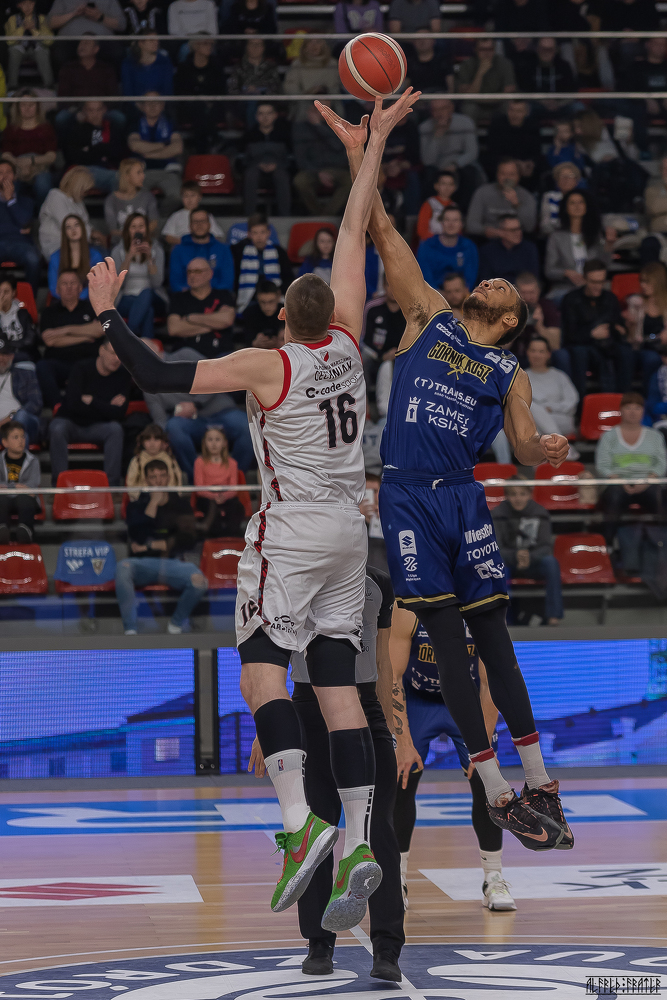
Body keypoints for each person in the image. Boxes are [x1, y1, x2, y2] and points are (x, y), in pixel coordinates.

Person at [88, 89, 420, 929]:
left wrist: (106, 314)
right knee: (337, 689)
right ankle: (357, 846)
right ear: (331, 315)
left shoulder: (268, 365)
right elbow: (353, 232)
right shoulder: (348, 345)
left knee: (260, 670)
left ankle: (298, 822)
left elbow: (157, 376)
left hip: (294, 529)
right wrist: (369, 144)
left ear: (280, 318)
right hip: (352, 533)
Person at [319, 99, 574, 852]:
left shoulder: (508, 371)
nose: (491, 280)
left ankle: (541, 782)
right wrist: (363, 152)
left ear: (511, 320)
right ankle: (496, 790)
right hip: (405, 494)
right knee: (439, 629)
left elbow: (520, 449)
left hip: (462, 496)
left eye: (504, 289)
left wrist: (547, 450)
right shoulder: (427, 314)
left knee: (491, 636)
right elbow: (380, 229)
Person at [249, 566, 404, 980]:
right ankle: (319, 943)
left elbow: (383, 660)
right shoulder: (290, 576)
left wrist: (391, 730)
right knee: (317, 828)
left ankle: (387, 948)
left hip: (365, 707)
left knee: (379, 832)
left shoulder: (378, 584)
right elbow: (271, 667)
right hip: (306, 708)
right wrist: (268, 731)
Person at [390, 606, 515, 912]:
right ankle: (397, 878)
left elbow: (490, 680)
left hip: (465, 699)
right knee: (402, 777)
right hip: (418, 699)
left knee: (487, 781)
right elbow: (392, 676)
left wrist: (484, 749)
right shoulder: (408, 606)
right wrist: (403, 742)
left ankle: (493, 878)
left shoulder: (480, 603)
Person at [118, 458, 208, 634]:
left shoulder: (180, 504)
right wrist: (152, 504)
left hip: (173, 563)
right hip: (143, 563)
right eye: (153, 477)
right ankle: (130, 630)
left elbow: (189, 539)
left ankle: (176, 624)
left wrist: (153, 545)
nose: (158, 481)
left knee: (199, 582)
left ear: (168, 477)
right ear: (146, 480)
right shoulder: (136, 505)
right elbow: (137, 536)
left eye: (162, 476)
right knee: (122, 568)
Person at [141, 348, 253, 478]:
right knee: (173, 428)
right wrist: (161, 438)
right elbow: (160, 419)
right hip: (191, 422)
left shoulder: (184, 354)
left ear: (157, 350)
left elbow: (214, 375)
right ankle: (196, 480)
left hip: (221, 411)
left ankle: (235, 477)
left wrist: (196, 404)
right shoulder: (148, 383)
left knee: (247, 427)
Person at [48, 337, 130, 485]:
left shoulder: (123, 375)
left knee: (116, 430)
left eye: (120, 355)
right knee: (57, 428)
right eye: (113, 353)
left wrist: (92, 401)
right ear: (101, 350)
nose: (117, 359)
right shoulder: (81, 368)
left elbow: (119, 413)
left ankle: (112, 487)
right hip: (71, 423)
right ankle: (59, 485)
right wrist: (107, 406)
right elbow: (73, 405)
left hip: (99, 427)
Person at [597, 393, 666, 547]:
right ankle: (608, 544)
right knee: (613, 498)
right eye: (628, 407)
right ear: (621, 410)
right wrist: (620, 482)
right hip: (618, 483)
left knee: (660, 497)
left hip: (649, 483)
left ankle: (662, 544)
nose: (633, 412)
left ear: (643, 411)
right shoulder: (608, 437)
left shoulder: (655, 436)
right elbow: (603, 464)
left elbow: (661, 463)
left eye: (637, 408)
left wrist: (647, 481)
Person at [493, 479, 564, 626]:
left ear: (529, 495)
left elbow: (545, 546)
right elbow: (495, 547)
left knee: (551, 562)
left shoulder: (540, 513)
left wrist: (529, 557)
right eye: (513, 494)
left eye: (522, 494)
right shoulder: (497, 514)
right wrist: (515, 556)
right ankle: (502, 617)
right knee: (497, 566)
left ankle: (553, 616)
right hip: (509, 562)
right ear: (506, 496)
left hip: (533, 562)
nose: (518, 498)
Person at [560, 259, 633, 399]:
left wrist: (623, 329)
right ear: (584, 279)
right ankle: (580, 402)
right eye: (593, 282)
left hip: (607, 344)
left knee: (626, 352)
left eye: (601, 282)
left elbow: (618, 326)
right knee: (580, 353)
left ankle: (623, 400)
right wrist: (591, 334)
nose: (598, 286)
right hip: (582, 345)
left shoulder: (610, 298)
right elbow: (569, 334)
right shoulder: (571, 299)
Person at [37, 270, 103, 407]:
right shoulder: (49, 312)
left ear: (80, 288)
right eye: (64, 284)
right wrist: (85, 336)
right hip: (60, 365)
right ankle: (58, 406)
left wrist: (65, 330)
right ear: (57, 289)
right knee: (42, 366)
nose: (69, 287)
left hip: (88, 364)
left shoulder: (92, 308)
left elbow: (99, 330)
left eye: (73, 283)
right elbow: (50, 340)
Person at [545, 189, 615, 300]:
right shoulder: (556, 237)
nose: (577, 206)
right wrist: (567, 273)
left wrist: (609, 245)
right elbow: (549, 270)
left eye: (581, 202)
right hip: (566, 288)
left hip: (593, 287)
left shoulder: (595, 234)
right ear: (565, 208)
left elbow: (605, 264)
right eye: (572, 203)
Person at [167, 257, 236, 358]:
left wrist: (191, 318)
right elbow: (174, 329)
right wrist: (215, 324)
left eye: (197, 271)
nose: (192, 275)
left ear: (210, 274)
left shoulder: (224, 295)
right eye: (189, 271)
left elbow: (227, 320)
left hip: (220, 355)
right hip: (187, 356)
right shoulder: (179, 298)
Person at [111, 212, 165, 338]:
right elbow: (118, 284)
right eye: (133, 227)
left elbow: (157, 283)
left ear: (146, 229)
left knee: (146, 292)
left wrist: (150, 259)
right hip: (126, 297)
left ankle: (127, 338)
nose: (137, 230)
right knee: (148, 311)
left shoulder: (157, 250)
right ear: (127, 230)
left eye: (141, 226)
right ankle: (145, 347)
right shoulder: (117, 251)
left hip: (152, 296)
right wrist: (129, 257)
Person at [418, 100, 479, 210]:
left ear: (451, 108)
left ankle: (463, 213)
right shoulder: (425, 127)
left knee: (470, 173)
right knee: (427, 174)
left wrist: (455, 164)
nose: (439, 113)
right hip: (437, 166)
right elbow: (427, 160)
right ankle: (430, 212)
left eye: (443, 109)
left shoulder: (465, 123)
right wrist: (437, 136)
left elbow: (472, 152)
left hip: (460, 164)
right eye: (435, 110)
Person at [293, 102, 351, 217]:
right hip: (312, 170)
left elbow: (338, 146)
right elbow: (300, 157)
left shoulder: (340, 126)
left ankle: (327, 215)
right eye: (316, 109)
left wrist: (318, 126)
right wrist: (318, 172)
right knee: (299, 181)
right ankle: (318, 214)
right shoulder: (301, 128)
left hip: (337, 168)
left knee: (350, 181)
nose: (320, 112)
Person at [127, 93, 183, 214]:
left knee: (177, 196)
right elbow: (135, 146)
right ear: (142, 106)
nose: (152, 106)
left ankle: (159, 217)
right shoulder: (134, 123)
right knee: (137, 197)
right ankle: (148, 219)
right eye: (148, 103)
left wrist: (149, 153)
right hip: (142, 172)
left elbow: (178, 148)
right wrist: (163, 145)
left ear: (162, 105)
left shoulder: (170, 123)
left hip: (168, 171)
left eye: (156, 102)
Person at [0, 90, 57, 206]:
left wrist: (31, 162)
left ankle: (43, 213)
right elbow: (6, 154)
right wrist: (19, 164)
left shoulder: (46, 128)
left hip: (40, 168)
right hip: (16, 167)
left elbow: (51, 156)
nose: (27, 108)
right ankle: (13, 213)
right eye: (23, 105)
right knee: (9, 184)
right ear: (17, 107)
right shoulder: (11, 129)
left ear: (37, 106)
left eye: (31, 105)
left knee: (43, 185)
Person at [231, 213, 293, 314]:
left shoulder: (279, 252)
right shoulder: (239, 252)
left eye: (262, 232)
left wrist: (278, 293)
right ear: (249, 234)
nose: (259, 237)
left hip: (274, 297)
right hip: (250, 299)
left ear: (269, 233)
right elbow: (235, 277)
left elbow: (288, 277)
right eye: (255, 233)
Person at [61, 101, 127, 194]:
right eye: (90, 110)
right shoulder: (76, 129)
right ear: (84, 111)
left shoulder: (112, 128)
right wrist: (102, 152)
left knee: (123, 178)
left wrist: (89, 150)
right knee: (118, 178)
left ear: (104, 110)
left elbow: (118, 153)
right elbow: (72, 156)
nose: (95, 114)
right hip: (82, 171)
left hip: (106, 170)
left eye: (98, 110)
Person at [524, 336, 579, 448]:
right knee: (532, 408)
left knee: (535, 423)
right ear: (527, 353)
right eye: (533, 351)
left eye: (541, 351)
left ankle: (554, 449)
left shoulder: (559, 376)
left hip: (560, 418)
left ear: (548, 354)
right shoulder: (520, 377)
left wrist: (551, 408)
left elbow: (572, 401)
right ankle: (562, 447)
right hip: (531, 422)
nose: (536, 355)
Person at [174, 34, 226, 152]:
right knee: (198, 106)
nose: (209, 47)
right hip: (190, 107)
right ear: (196, 46)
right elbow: (180, 91)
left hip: (213, 106)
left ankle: (200, 148)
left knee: (203, 110)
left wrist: (210, 100)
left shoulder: (216, 66)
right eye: (205, 43)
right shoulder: (184, 67)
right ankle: (214, 138)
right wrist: (199, 98)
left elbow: (221, 90)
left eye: (211, 44)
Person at [239, 102, 292, 218]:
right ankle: (249, 217)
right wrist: (257, 164)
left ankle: (285, 217)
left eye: (269, 113)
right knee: (250, 175)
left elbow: (290, 158)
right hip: (255, 168)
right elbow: (243, 160)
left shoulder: (284, 134)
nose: (265, 117)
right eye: (261, 114)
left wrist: (278, 165)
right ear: (256, 116)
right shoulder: (249, 135)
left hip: (279, 168)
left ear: (275, 115)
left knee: (282, 176)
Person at [194, 426, 245, 537]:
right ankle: (212, 538)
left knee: (236, 507)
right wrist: (214, 496)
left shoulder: (232, 463)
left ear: (224, 443)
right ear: (204, 443)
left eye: (217, 440)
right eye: (210, 440)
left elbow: (233, 489)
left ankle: (232, 539)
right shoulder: (199, 462)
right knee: (210, 505)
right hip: (206, 498)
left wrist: (223, 496)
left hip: (227, 497)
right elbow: (199, 489)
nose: (214, 443)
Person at [466, 159, 537, 240]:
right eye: (503, 173)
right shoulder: (482, 192)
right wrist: (490, 231)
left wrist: (517, 204)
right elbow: (471, 225)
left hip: (516, 240)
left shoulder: (526, 196)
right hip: (487, 239)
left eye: (512, 174)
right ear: (497, 175)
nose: (507, 178)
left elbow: (529, 227)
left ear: (518, 176)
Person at [169, 208, 235, 293]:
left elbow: (227, 281)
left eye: (203, 221)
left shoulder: (223, 249)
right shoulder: (178, 250)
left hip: (217, 296)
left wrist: (209, 295)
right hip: (187, 297)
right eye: (195, 222)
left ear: (209, 225)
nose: (199, 225)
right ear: (190, 226)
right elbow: (176, 283)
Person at [38, 165, 96, 261]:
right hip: (56, 245)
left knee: (101, 254)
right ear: (77, 187)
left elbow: (86, 223)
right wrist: (94, 234)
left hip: (78, 244)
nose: (87, 193)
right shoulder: (56, 196)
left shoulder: (78, 201)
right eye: (85, 190)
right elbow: (69, 225)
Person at [417, 205, 478, 293]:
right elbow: (425, 277)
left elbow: (470, 279)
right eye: (447, 220)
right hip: (433, 295)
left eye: (455, 220)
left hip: (461, 296)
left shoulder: (469, 246)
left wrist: (457, 295)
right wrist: (440, 295)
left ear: (462, 224)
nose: (451, 224)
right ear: (441, 222)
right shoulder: (426, 246)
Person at [0, 160, 40, 293]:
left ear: (15, 176)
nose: (5, 176)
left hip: (21, 244)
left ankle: (30, 300)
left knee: (33, 259)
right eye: (0, 173)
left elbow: (25, 223)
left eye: (8, 172)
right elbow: (22, 227)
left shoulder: (26, 200)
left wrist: (11, 201)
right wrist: (17, 229)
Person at [362, 276, 406, 394]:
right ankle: (364, 399)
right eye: (389, 285)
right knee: (362, 359)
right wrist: (382, 355)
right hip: (376, 355)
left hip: (403, 356)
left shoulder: (410, 311)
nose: (393, 289)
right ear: (384, 286)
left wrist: (399, 353)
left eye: (397, 285)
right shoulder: (372, 308)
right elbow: (365, 341)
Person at [484, 101, 541, 189]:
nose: (515, 114)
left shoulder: (532, 126)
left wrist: (531, 163)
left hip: (525, 168)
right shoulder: (497, 125)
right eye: (512, 110)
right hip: (501, 164)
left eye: (519, 111)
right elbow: (492, 152)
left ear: (526, 113)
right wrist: (516, 164)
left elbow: (536, 152)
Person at [0, 419, 41, 543]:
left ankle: (25, 530)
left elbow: (32, 487)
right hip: (4, 498)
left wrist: (7, 487)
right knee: (1, 499)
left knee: (25, 498)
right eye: (15, 437)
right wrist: (17, 487)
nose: (21, 441)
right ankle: (1, 530)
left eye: (23, 437)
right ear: (5, 442)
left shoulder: (33, 461)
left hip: (25, 498)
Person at [457, 38, 516, 123]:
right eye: (482, 49)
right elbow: (468, 96)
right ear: (475, 50)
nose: (487, 53)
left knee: (510, 106)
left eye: (490, 49)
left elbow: (508, 92)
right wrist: (480, 73)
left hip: (498, 104)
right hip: (476, 105)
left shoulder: (504, 63)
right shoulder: (466, 65)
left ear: (494, 50)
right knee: (468, 108)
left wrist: (482, 99)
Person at [283, 39, 342, 123]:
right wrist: (308, 93)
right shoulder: (297, 64)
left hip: (329, 101)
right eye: (310, 42)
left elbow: (338, 86)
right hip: (304, 101)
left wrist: (324, 94)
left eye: (318, 42)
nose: (314, 45)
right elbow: (290, 87)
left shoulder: (333, 64)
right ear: (305, 46)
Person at [48, 214, 104, 301]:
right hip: (63, 302)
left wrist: (77, 298)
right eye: (68, 227)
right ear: (64, 232)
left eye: (76, 225)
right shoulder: (55, 257)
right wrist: (69, 299)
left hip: (88, 301)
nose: (73, 229)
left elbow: (98, 284)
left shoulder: (95, 256)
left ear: (83, 228)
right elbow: (53, 288)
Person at [104, 158, 159, 245]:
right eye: (138, 172)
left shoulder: (148, 197)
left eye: (142, 172)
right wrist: (132, 236)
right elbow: (113, 230)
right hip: (121, 244)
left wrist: (140, 237)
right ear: (127, 176)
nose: (143, 176)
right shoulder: (111, 200)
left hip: (145, 242)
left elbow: (154, 222)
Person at [513, 272, 564, 364]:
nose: (528, 297)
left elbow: (555, 346)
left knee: (561, 355)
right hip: (514, 355)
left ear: (539, 291)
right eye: (523, 293)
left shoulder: (547, 307)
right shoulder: (507, 308)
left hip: (541, 355)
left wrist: (539, 326)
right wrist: (514, 327)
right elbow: (500, 346)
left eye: (531, 292)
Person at [56, 37, 118, 112]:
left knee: (118, 117)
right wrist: (76, 111)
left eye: (86, 43)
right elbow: (62, 96)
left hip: (102, 109)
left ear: (96, 49)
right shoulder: (68, 68)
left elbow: (113, 94)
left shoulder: (106, 69)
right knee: (62, 117)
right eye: (81, 43)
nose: (82, 46)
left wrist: (101, 110)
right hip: (75, 109)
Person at [0, 339, 42, 445]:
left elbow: (35, 403)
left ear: (12, 356)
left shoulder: (25, 374)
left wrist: (10, 418)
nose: (1, 358)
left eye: (5, 354)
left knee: (20, 418)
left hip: (23, 421)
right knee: (19, 434)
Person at [478, 215, 540, 286]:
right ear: (501, 231)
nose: (518, 233)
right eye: (513, 230)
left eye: (519, 228)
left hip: (522, 289)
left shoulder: (529, 249)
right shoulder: (488, 251)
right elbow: (485, 279)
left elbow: (533, 278)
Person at [5, 0, 54, 88]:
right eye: (24, 4)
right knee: (13, 51)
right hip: (20, 48)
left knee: (43, 51)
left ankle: (49, 86)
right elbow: (9, 41)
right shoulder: (13, 19)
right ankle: (12, 86)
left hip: (36, 48)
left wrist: (33, 29)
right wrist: (23, 28)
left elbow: (49, 41)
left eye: (30, 3)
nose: (27, 7)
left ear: (34, 4)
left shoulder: (41, 18)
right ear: (19, 5)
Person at [126, 422, 182, 498]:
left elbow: (178, 483)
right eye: (148, 439)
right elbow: (131, 485)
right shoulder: (137, 461)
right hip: (144, 499)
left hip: (168, 499)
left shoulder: (170, 460)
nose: (152, 443)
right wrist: (142, 498)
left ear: (162, 441)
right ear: (142, 442)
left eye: (156, 439)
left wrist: (169, 498)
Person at [162, 181, 224, 248]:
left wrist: (201, 242)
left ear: (199, 197)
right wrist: (185, 242)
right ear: (181, 197)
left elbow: (216, 236)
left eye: (193, 195)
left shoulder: (206, 215)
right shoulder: (176, 216)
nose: (190, 199)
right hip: (183, 248)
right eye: (186, 196)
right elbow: (168, 237)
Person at [227, 36, 281, 104]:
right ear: (246, 47)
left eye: (259, 44)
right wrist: (246, 92)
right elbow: (232, 90)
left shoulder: (270, 67)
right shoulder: (238, 67)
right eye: (252, 44)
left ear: (263, 47)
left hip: (265, 103)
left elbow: (276, 88)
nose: (255, 47)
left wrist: (260, 92)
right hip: (243, 102)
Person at [121, 32, 174, 97]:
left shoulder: (164, 62)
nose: (156, 43)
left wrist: (156, 100)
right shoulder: (128, 63)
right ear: (141, 43)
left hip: (160, 102)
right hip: (137, 102)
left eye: (157, 40)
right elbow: (127, 91)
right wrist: (142, 102)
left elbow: (168, 90)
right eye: (151, 40)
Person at [0, 274, 38, 361]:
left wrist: (8, 346)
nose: (2, 296)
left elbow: (30, 340)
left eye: (6, 292)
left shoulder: (23, 314)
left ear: (13, 293)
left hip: (20, 354)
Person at [539, 162, 582, 238]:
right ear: (557, 180)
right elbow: (544, 225)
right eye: (562, 176)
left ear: (576, 181)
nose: (566, 179)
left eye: (570, 176)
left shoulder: (582, 199)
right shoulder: (549, 197)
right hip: (553, 237)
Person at [406, 28, 454, 94]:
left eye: (425, 38)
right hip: (416, 97)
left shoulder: (443, 60)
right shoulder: (409, 62)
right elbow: (406, 87)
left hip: (439, 96)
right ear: (413, 42)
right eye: (418, 38)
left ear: (433, 41)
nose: (422, 41)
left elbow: (451, 88)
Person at [416, 170, 458, 243]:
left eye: (450, 184)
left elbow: (458, 231)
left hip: (450, 244)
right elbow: (421, 231)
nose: (447, 187)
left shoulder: (455, 206)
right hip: (430, 243)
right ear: (436, 186)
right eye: (443, 184)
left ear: (454, 187)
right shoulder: (429, 204)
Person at [241, 278, 283, 348]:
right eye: (263, 302)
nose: (267, 307)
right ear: (257, 298)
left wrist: (281, 342)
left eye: (271, 301)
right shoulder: (250, 313)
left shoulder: (287, 312)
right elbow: (246, 341)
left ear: (278, 297)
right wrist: (254, 343)